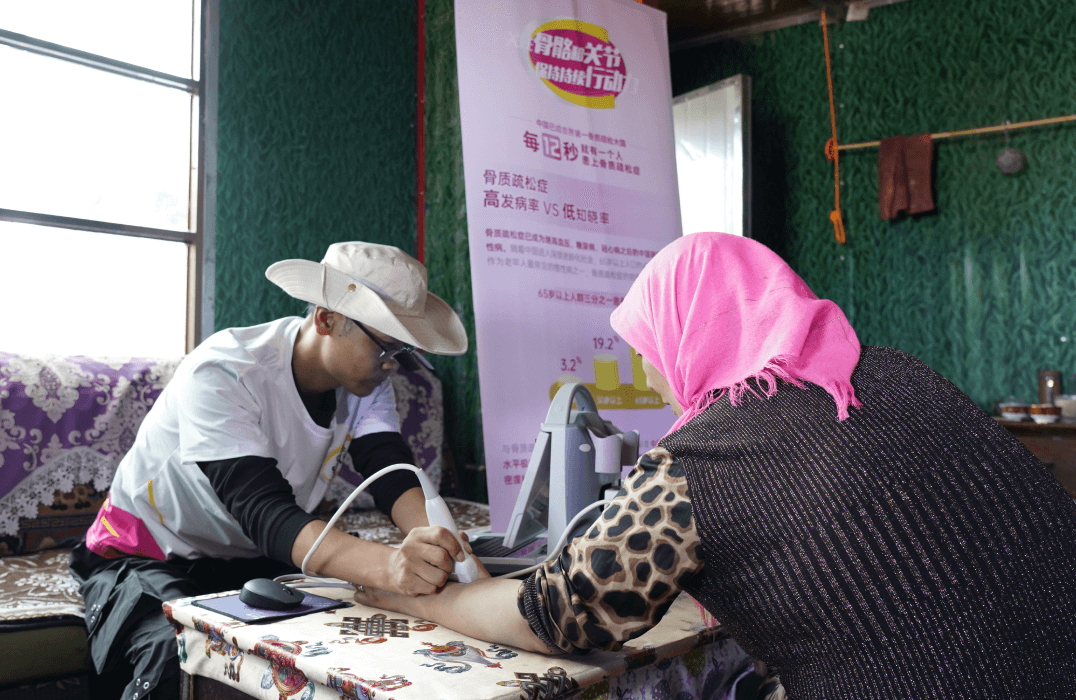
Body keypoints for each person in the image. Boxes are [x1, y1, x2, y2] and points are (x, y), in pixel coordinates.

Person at [357, 232, 1076, 699]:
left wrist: (429, 602)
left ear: (686, 334)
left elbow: (562, 613)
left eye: (650, 351)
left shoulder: (704, 461)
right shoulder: (894, 373)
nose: (657, 377)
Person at [70, 241, 471, 700]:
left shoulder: (366, 382)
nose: (391, 365)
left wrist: (443, 548)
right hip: (149, 553)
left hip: (249, 558)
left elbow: (391, 469)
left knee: (349, 643)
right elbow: (266, 513)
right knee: (176, 657)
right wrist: (391, 565)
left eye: (400, 351)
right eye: (384, 346)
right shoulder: (226, 371)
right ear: (326, 318)